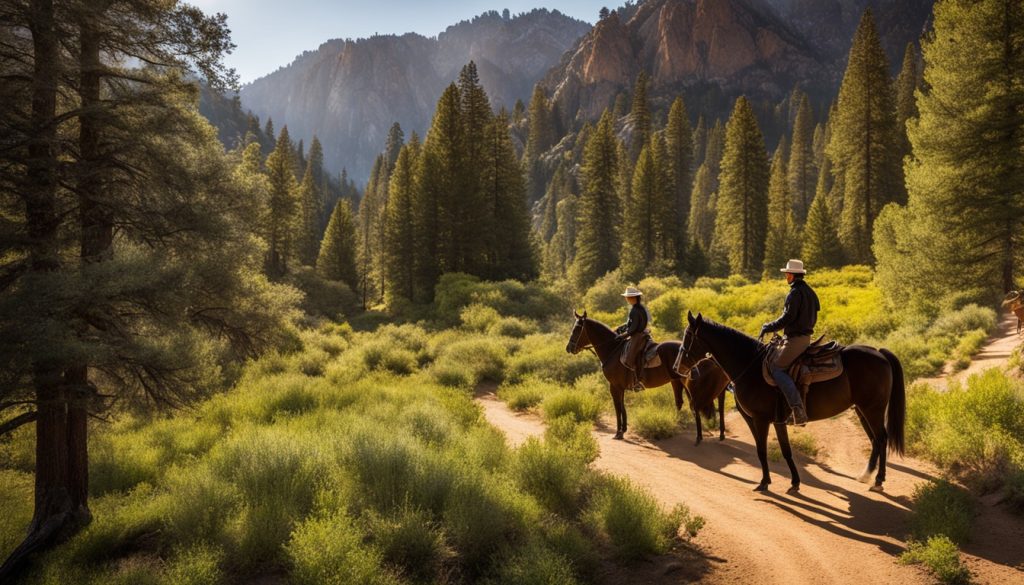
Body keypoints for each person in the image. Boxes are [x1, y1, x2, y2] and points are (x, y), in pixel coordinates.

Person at [759, 259, 819, 426]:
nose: (786, 276)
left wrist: (768, 326)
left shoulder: (794, 293)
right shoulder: (810, 292)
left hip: (796, 339)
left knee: (777, 368)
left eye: (787, 274)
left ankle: (798, 410)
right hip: (805, 337)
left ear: (792, 275)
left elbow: (787, 318)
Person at [616, 286, 651, 391]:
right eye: (627, 297)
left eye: (628, 297)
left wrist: (622, 336)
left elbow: (633, 328)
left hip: (637, 336)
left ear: (634, 298)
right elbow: (629, 324)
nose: (626, 299)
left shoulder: (634, 311)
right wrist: (619, 329)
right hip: (641, 334)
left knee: (629, 358)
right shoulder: (639, 309)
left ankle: (637, 382)